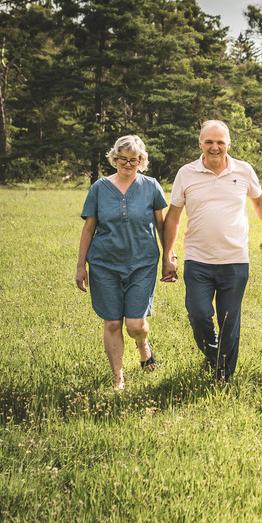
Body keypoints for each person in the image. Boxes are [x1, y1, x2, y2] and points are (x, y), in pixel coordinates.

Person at [162, 120, 262, 382]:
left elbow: (260, 202)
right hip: (197, 260)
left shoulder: (244, 170)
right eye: (209, 142)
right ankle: (213, 353)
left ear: (228, 144)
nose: (215, 147)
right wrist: (167, 254)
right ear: (200, 143)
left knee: (229, 320)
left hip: (235, 260)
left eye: (220, 142)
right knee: (199, 314)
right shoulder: (186, 173)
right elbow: (173, 218)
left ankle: (223, 376)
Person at [76, 135, 168, 392]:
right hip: (104, 264)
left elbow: (162, 225)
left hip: (143, 263)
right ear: (114, 159)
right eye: (122, 159)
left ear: (142, 161)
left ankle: (143, 345)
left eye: (134, 160)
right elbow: (88, 228)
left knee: (135, 325)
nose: (128, 164)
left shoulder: (151, 187)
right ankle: (118, 379)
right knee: (113, 323)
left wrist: (169, 258)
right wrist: (80, 266)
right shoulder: (99, 188)